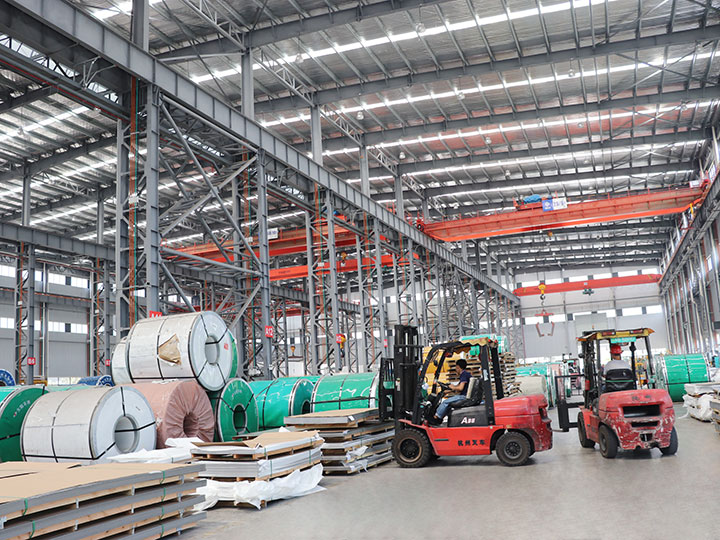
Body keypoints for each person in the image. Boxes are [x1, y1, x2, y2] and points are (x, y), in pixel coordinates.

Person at [433, 359, 472, 423]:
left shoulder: (464, 375)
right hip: (465, 395)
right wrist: (449, 390)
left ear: (458, 367)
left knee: (445, 402)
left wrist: (452, 387)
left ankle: (436, 417)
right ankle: (440, 419)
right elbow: (458, 388)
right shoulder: (466, 374)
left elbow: (460, 388)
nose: (456, 369)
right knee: (449, 405)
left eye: (456, 367)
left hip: (464, 396)